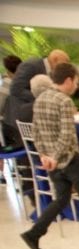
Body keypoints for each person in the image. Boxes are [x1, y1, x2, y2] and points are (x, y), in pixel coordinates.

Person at [20, 63, 79, 249]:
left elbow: (36, 133)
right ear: (68, 80)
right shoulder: (64, 101)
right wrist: (54, 156)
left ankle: (34, 233)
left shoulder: (40, 99)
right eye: (76, 82)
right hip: (70, 159)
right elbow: (67, 135)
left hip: (52, 163)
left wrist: (45, 156)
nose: (76, 86)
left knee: (61, 199)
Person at [1, 54, 22, 184]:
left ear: (8, 71)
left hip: (10, 129)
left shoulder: (7, 84)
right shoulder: (25, 82)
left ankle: (3, 173)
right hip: (22, 128)